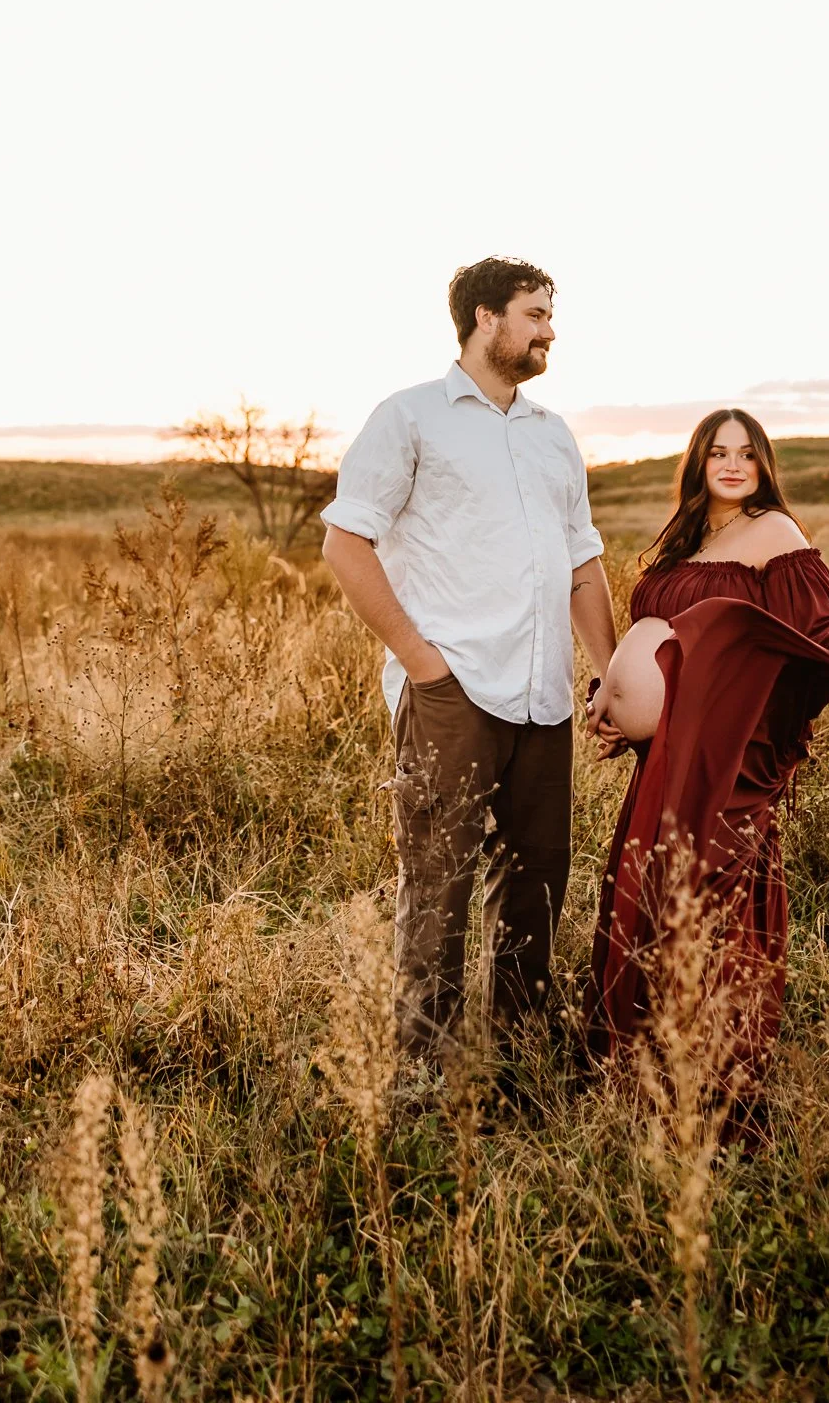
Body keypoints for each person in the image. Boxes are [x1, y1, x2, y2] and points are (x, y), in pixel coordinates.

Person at [321, 257, 617, 1059]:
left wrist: (611, 676)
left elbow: (581, 562)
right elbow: (346, 543)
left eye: (548, 315)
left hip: (544, 697)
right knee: (439, 886)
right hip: (452, 692)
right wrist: (423, 665)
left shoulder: (551, 434)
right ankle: (423, 1075)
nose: (549, 330)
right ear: (485, 317)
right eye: (534, 314)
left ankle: (519, 1063)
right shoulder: (410, 417)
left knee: (537, 884)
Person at [585, 409, 829, 1098]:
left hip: (724, 752)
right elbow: (655, 638)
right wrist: (614, 700)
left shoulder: (773, 530)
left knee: (708, 900)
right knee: (651, 893)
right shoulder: (685, 538)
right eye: (718, 452)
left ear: (762, 466)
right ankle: (639, 1071)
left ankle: (713, 1077)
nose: (731, 464)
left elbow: (824, 618)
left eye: (746, 454)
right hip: (664, 752)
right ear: (697, 461)